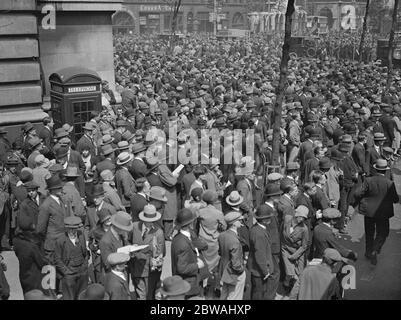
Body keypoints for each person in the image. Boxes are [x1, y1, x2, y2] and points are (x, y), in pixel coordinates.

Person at [354, 159, 399, 265]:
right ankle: (375, 248)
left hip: (368, 211)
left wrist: (364, 198)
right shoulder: (389, 183)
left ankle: (368, 252)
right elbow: (396, 199)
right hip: (383, 213)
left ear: (375, 169)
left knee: (369, 232)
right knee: (383, 232)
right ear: (386, 171)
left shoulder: (368, 180)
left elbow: (357, 193)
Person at [130, 204, 165, 300]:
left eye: (152, 220)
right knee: (140, 295)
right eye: (147, 220)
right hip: (136, 267)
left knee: (148, 295)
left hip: (150, 271)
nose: (150, 223)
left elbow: (161, 253)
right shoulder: (134, 227)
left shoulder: (159, 233)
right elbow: (128, 241)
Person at [171, 208, 205, 299]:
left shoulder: (178, 238)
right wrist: (197, 265)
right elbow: (182, 268)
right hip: (188, 286)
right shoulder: (182, 243)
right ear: (190, 223)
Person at [54, 216, 88, 300]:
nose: (72, 231)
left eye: (74, 229)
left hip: (82, 272)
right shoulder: (60, 240)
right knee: (69, 297)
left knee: (82, 296)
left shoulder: (81, 236)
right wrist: (66, 272)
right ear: (66, 229)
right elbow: (57, 259)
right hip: (69, 274)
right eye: (70, 229)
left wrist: (85, 266)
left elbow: (86, 253)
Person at [36, 175, 67, 264]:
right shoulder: (46, 205)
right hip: (52, 245)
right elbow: (40, 229)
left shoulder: (61, 200)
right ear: (52, 190)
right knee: (53, 271)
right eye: (58, 188)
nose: (61, 189)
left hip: (62, 242)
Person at [13, 212, 46, 294]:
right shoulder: (32, 246)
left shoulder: (16, 241)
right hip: (35, 279)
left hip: (23, 276)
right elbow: (42, 263)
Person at [248, 205, 274, 300]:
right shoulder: (259, 233)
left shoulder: (257, 228)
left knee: (258, 292)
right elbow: (260, 254)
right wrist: (265, 271)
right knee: (258, 294)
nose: (271, 218)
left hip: (256, 268)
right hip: (259, 270)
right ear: (264, 219)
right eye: (269, 217)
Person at [218, 211, 246, 300]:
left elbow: (220, 252)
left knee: (224, 295)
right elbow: (236, 264)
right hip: (233, 272)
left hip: (224, 269)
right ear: (234, 224)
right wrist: (241, 270)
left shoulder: (222, 235)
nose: (242, 222)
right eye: (240, 221)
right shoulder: (235, 241)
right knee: (235, 296)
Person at [281, 205, 309, 293]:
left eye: (304, 218)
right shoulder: (287, 219)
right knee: (289, 273)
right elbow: (281, 230)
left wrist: (294, 256)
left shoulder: (304, 229)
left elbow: (304, 246)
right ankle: (286, 284)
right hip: (285, 249)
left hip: (298, 252)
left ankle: (296, 289)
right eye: (300, 216)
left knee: (300, 274)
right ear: (296, 214)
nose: (301, 219)